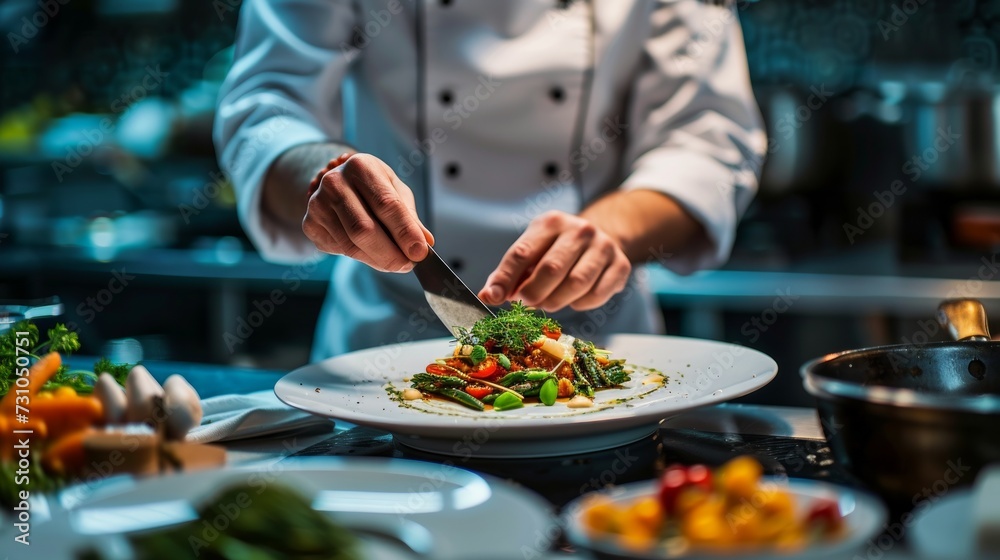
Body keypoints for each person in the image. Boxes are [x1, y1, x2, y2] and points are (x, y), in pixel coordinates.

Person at [214, 0, 766, 360]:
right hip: (384, 342)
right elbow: (267, 106)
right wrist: (327, 180)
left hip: (600, 343)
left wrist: (609, 232)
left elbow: (708, 140)